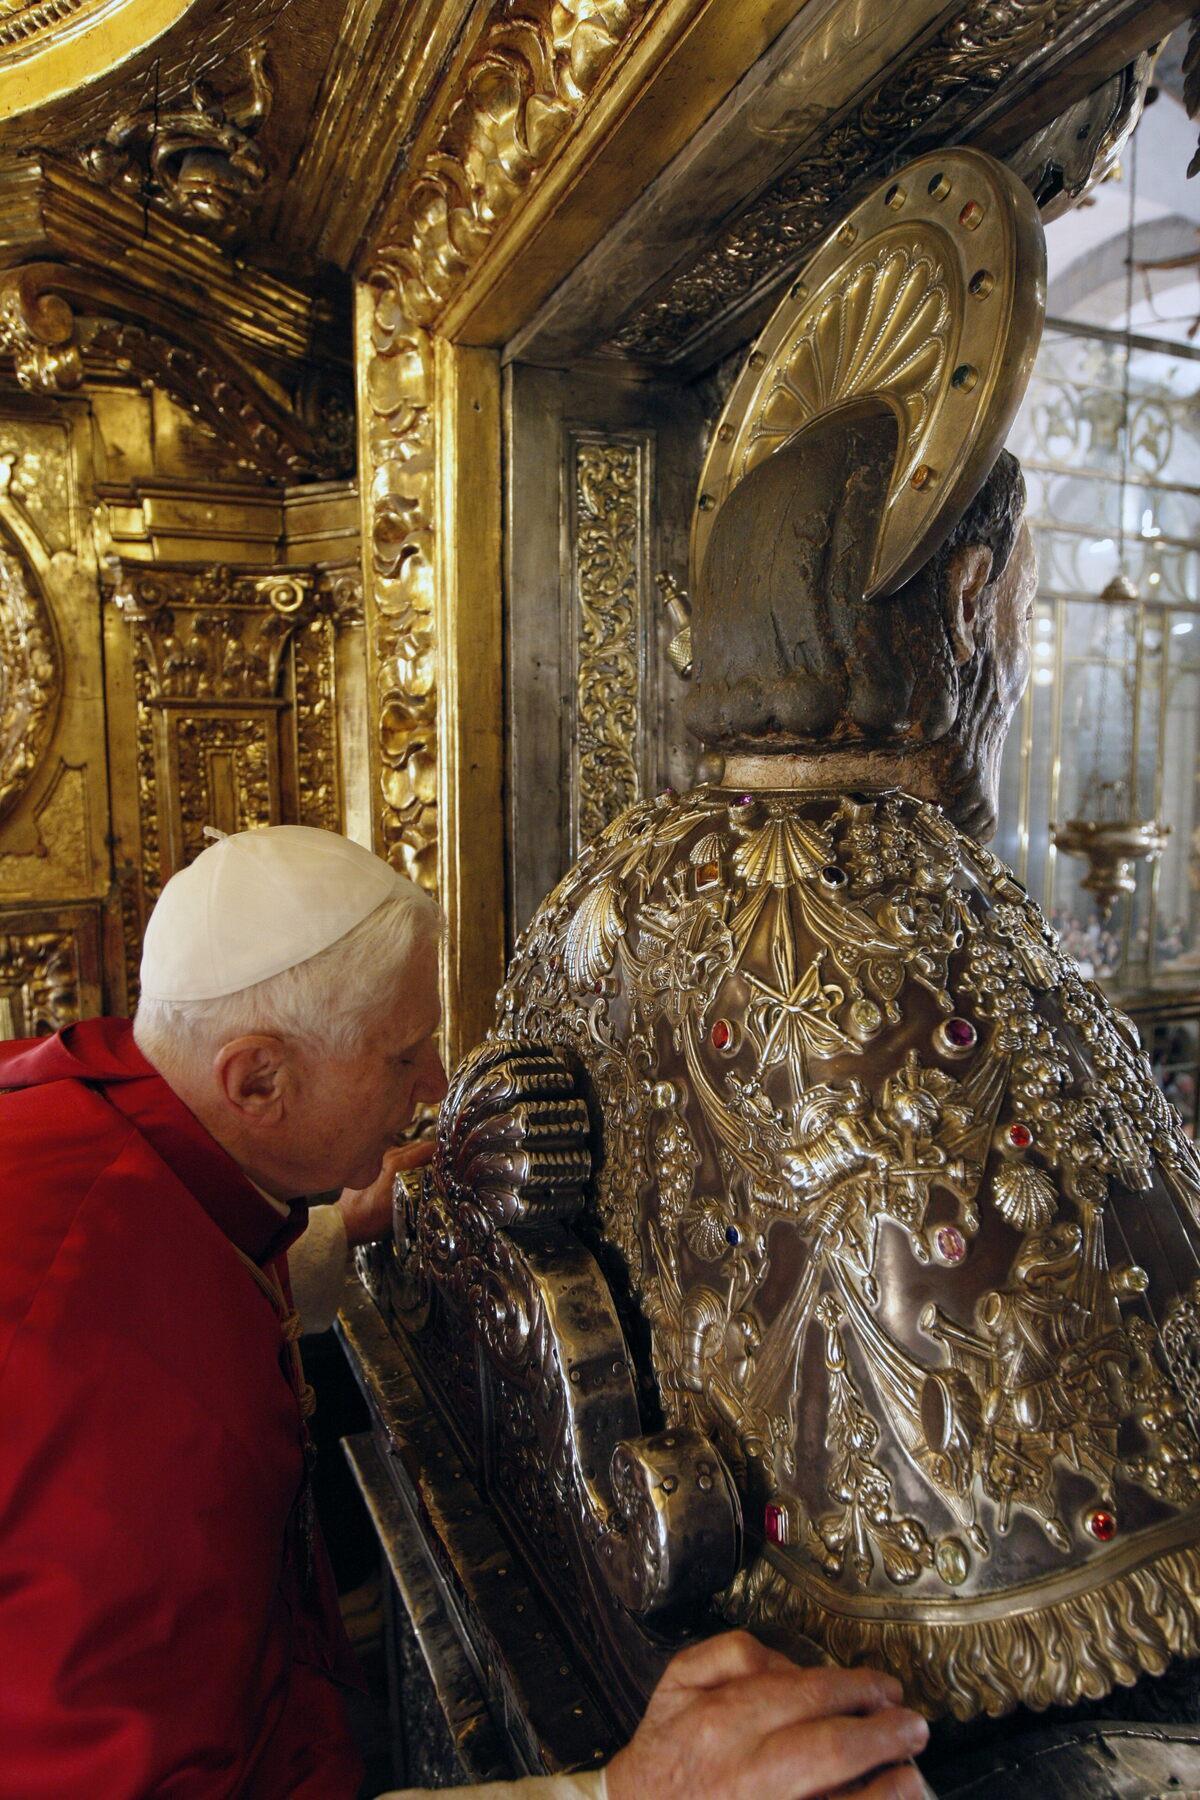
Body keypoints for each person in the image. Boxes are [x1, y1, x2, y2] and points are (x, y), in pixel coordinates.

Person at [0, 823, 928, 1799]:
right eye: (403, 1057)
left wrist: (329, 1217)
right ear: (258, 1079)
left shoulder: (83, 1106)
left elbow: (183, 1250)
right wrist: (617, 1794)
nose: (437, 1087)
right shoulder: (104, 1387)